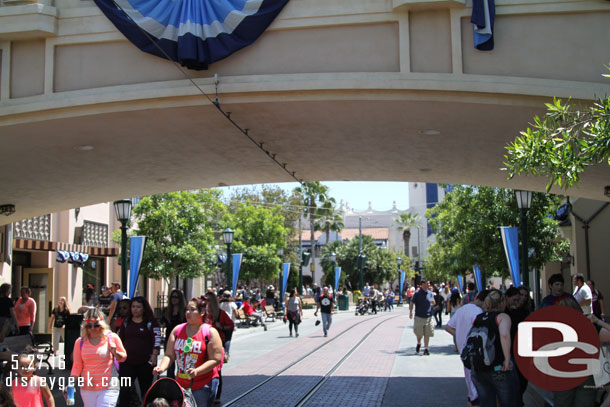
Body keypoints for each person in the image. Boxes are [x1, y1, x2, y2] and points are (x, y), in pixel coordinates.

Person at [153, 297, 223, 407]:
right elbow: (169, 355)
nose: (187, 313)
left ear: (202, 312)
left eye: (192, 310)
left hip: (203, 384)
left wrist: (197, 371)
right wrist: (162, 367)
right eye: (186, 309)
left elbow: (216, 358)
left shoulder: (209, 332)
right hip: (181, 384)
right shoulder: (178, 330)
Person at [470, 290, 520, 407]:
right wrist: (507, 360)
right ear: (502, 302)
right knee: (509, 402)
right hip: (498, 367)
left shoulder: (478, 317)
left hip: (479, 368)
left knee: (486, 403)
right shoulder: (502, 317)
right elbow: (504, 335)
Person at [71, 308, 127, 407]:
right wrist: (71, 384)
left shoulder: (112, 337)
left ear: (102, 324)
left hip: (109, 387)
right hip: (88, 387)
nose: (93, 328)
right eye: (89, 326)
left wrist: (115, 352)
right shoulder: (80, 342)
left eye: (96, 325)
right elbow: (77, 366)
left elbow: (123, 358)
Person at [446, 289, 490, 407]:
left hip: (464, 351)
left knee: (470, 384)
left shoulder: (461, 310)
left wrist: (460, 335)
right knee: (477, 386)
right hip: (476, 352)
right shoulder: (479, 312)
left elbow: (448, 327)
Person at [117, 296, 161, 407]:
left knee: (145, 391)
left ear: (144, 309)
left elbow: (157, 339)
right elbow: (119, 339)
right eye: (133, 307)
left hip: (145, 362)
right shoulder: (126, 322)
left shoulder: (150, 323)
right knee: (124, 389)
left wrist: (155, 354)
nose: (135, 309)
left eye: (138, 307)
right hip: (127, 362)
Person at [204, 292, 234, 405]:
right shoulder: (203, 315)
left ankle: (216, 395)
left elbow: (231, 326)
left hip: (217, 344)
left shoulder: (220, 314)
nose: (206, 304)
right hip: (203, 345)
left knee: (216, 370)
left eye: (208, 301)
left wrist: (221, 326)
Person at [160, 290, 186, 379]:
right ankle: (170, 380)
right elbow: (162, 322)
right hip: (169, 337)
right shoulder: (166, 310)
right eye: (172, 297)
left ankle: (181, 380)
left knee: (182, 362)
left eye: (176, 297)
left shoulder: (185, 311)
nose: (174, 299)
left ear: (180, 299)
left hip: (182, 338)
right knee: (169, 361)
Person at [409, 280, 435, 355]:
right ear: (423, 284)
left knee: (427, 333)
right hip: (419, 316)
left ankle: (426, 349)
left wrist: (433, 302)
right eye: (428, 283)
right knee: (419, 333)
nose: (429, 284)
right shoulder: (417, 293)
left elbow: (433, 301)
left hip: (428, 316)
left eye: (429, 283)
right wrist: (410, 312)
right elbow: (412, 303)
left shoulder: (430, 293)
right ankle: (419, 343)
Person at [219, 292, 238, 360]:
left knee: (222, 338)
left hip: (221, 323)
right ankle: (226, 353)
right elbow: (236, 313)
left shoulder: (220, 304)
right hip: (229, 323)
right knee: (228, 339)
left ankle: (222, 352)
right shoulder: (232, 304)